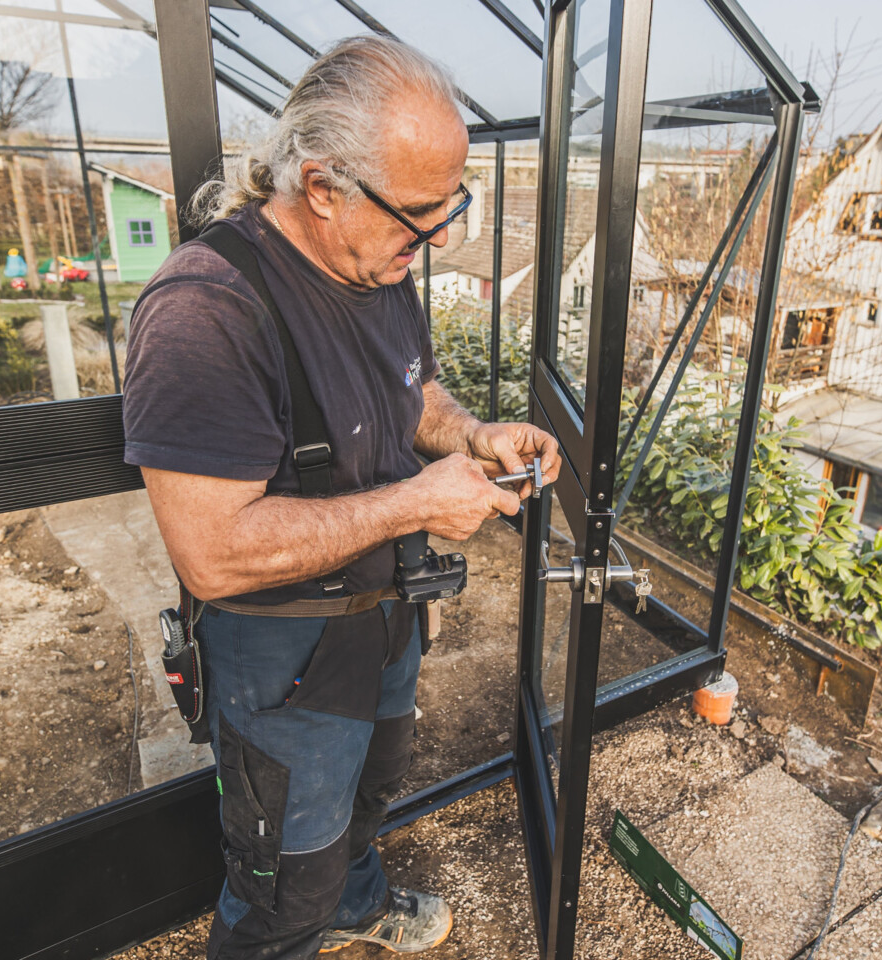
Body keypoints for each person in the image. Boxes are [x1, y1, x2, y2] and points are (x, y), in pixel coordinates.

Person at [122, 35, 560, 960]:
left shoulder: (378, 264)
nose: (438, 236)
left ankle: (356, 903)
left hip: (383, 608)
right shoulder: (206, 310)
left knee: (367, 794)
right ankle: (301, 924)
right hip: (277, 648)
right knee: (285, 870)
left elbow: (414, 393)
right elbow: (212, 549)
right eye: (420, 214)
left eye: (454, 207)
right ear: (320, 187)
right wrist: (413, 505)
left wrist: (472, 437)